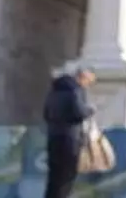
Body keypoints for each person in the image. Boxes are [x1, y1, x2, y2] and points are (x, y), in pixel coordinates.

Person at [41, 61, 96, 198]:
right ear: (83, 76)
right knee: (66, 178)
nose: (88, 84)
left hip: (53, 138)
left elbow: (46, 114)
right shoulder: (75, 90)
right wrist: (90, 110)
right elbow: (78, 112)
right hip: (70, 140)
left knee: (53, 179)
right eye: (89, 81)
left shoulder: (54, 90)